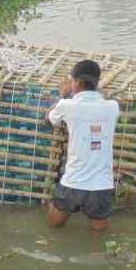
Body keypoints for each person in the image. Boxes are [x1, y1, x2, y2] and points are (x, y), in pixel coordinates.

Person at [45, 60, 120, 231]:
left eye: (72, 81)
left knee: (53, 227)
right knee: (99, 239)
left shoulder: (67, 105)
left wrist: (63, 94)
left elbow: (49, 119)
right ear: (96, 83)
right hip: (101, 186)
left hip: (73, 183)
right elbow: (99, 99)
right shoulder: (112, 107)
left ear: (77, 83)